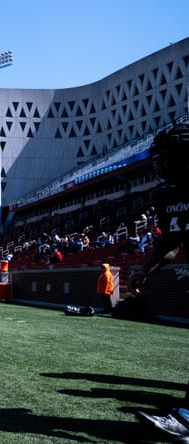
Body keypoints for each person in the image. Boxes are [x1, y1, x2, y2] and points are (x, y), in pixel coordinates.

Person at [129, 123, 189, 442]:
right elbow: (171, 243)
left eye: (166, 157)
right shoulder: (169, 197)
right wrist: (144, 268)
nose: (160, 165)